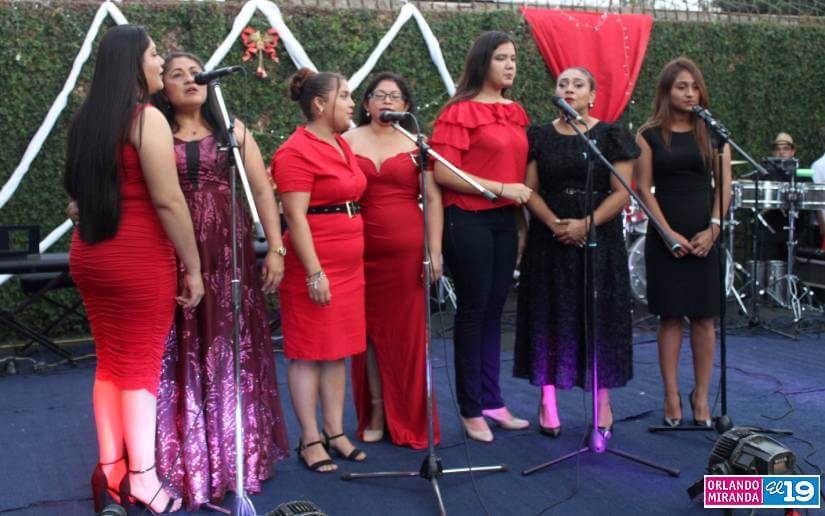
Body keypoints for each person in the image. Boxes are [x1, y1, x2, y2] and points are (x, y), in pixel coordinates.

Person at [64, 25, 203, 514]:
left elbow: (75, 198)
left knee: (110, 363)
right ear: (133, 64)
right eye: (154, 54)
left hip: (91, 255)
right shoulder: (147, 119)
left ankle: (111, 470)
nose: (160, 62)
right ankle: (142, 477)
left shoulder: (85, 121)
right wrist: (193, 266)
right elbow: (168, 201)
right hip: (138, 260)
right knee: (139, 370)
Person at [150, 52, 289, 510]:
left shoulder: (233, 129)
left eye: (196, 73)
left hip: (231, 256)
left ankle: (236, 454)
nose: (190, 80)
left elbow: (262, 189)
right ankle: (187, 458)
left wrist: (276, 247)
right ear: (163, 87)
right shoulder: (154, 131)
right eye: (176, 75)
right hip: (175, 252)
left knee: (232, 348)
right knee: (181, 346)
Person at [513, 67, 639, 438]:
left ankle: (603, 401)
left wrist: (586, 224)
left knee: (599, 317)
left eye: (578, 84)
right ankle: (547, 399)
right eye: (562, 84)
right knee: (548, 315)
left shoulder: (611, 135)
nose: (568, 89)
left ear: (592, 95)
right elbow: (529, 189)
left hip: (599, 237)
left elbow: (622, 191)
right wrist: (555, 224)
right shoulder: (538, 135)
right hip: (549, 236)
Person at [430, 31, 532, 443]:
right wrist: (501, 188)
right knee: (473, 312)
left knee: (494, 311)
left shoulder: (516, 111)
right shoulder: (459, 111)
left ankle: (492, 400)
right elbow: (442, 172)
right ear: (482, 62)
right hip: (467, 219)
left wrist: (520, 221)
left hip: (505, 221)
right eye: (501, 58)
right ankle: (471, 408)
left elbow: (520, 172)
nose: (510, 65)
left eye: (513, 58)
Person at [271, 68, 367, 472]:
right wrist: (314, 272)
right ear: (319, 104)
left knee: (337, 351)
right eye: (344, 96)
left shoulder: (341, 144)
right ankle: (309, 438)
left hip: (349, 267)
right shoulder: (295, 151)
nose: (351, 103)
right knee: (309, 353)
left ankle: (335, 431)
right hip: (316, 266)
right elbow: (294, 216)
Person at [343, 72, 443, 449]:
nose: (387, 101)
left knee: (408, 337)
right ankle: (376, 411)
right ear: (366, 103)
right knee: (366, 336)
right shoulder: (345, 141)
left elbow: (432, 199)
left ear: (406, 106)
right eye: (380, 95)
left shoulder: (418, 143)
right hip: (357, 251)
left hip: (407, 254)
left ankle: (409, 415)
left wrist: (434, 251)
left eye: (396, 96)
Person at [635, 57, 732, 428]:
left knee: (705, 319)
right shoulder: (648, 134)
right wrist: (667, 233)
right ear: (667, 91)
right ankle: (672, 394)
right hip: (666, 236)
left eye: (694, 86)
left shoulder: (713, 133)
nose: (690, 93)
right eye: (681, 87)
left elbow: (725, 187)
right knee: (671, 317)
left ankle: (701, 395)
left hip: (705, 233)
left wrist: (714, 229)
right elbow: (643, 189)